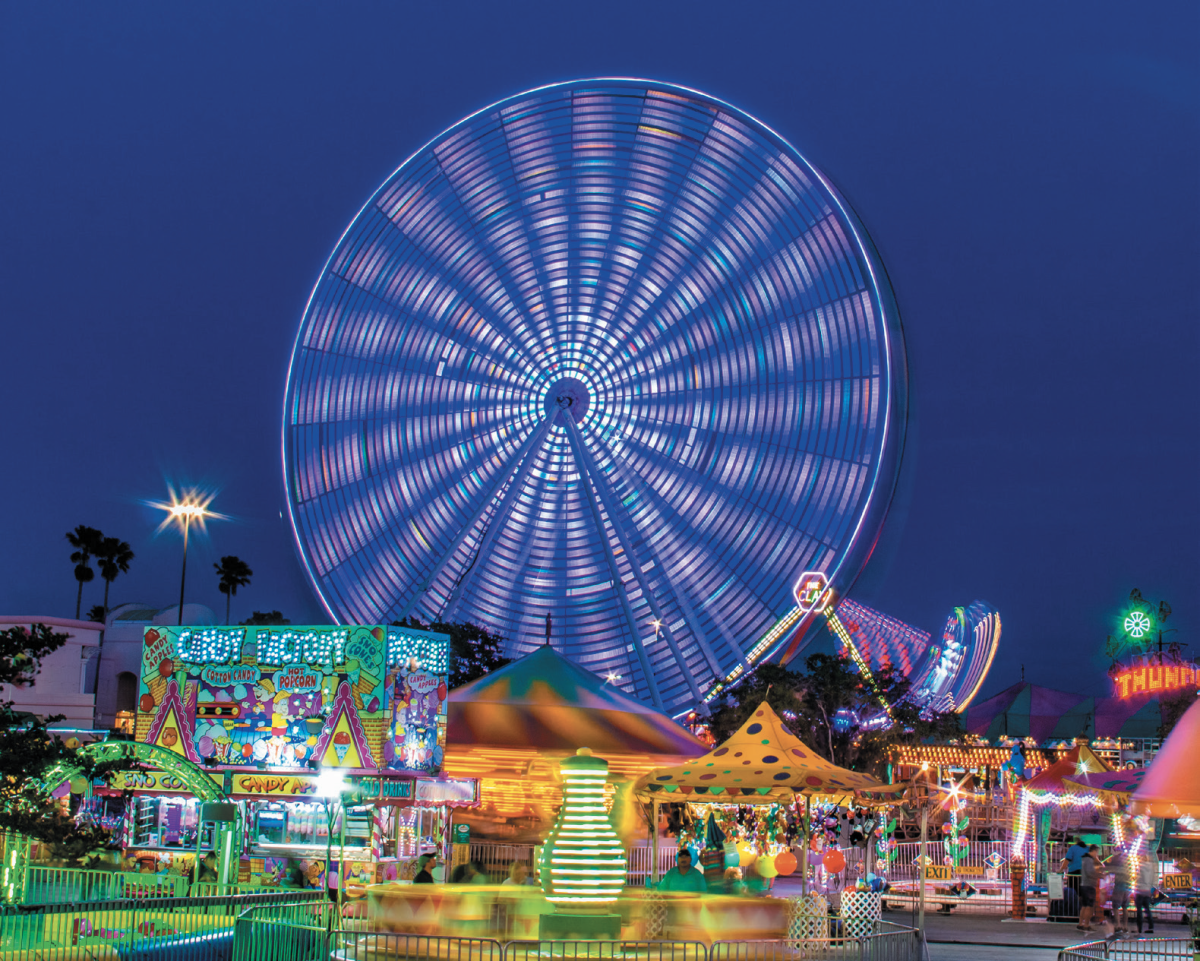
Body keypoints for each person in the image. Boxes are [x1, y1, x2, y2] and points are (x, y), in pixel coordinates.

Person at [1078, 844, 1105, 932]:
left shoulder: (1084, 859)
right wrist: (1099, 875)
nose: (1097, 854)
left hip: (1084, 884)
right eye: (1096, 852)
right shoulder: (1089, 860)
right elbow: (1090, 872)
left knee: (1084, 906)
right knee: (1089, 906)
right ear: (1093, 851)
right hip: (1089, 885)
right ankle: (1086, 924)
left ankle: (1080, 923)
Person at [1134, 850, 1157, 935]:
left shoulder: (1139, 866)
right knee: (1147, 909)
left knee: (1139, 911)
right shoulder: (1151, 867)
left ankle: (1139, 928)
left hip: (1139, 890)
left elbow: (1137, 877)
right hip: (1147, 891)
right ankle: (1151, 926)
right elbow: (1152, 879)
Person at [1109, 851, 1130, 934]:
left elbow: (1112, 870)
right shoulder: (1129, 866)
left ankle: (1118, 925)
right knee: (1125, 907)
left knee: (1116, 907)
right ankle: (1125, 926)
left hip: (1119, 887)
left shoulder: (1119, 865)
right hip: (1127, 888)